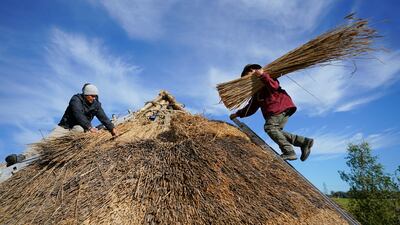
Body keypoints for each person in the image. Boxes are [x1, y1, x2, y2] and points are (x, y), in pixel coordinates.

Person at [230, 64, 313, 161]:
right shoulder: (256, 92)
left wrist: (262, 75)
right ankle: (304, 142)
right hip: (280, 109)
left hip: (279, 106)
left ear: (253, 70)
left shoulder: (266, 78)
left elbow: (274, 86)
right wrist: (238, 114)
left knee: (270, 127)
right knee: (277, 132)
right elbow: (251, 107)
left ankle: (289, 152)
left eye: (247, 77)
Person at [49, 83, 117, 138]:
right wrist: (89, 127)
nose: (94, 98)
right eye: (92, 96)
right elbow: (78, 114)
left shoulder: (96, 104)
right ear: (86, 94)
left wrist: (112, 128)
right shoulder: (76, 99)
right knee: (48, 141)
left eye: (95, 96)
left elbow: (103, 117)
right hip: (65, 127)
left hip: (80, 127)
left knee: (79, 130)